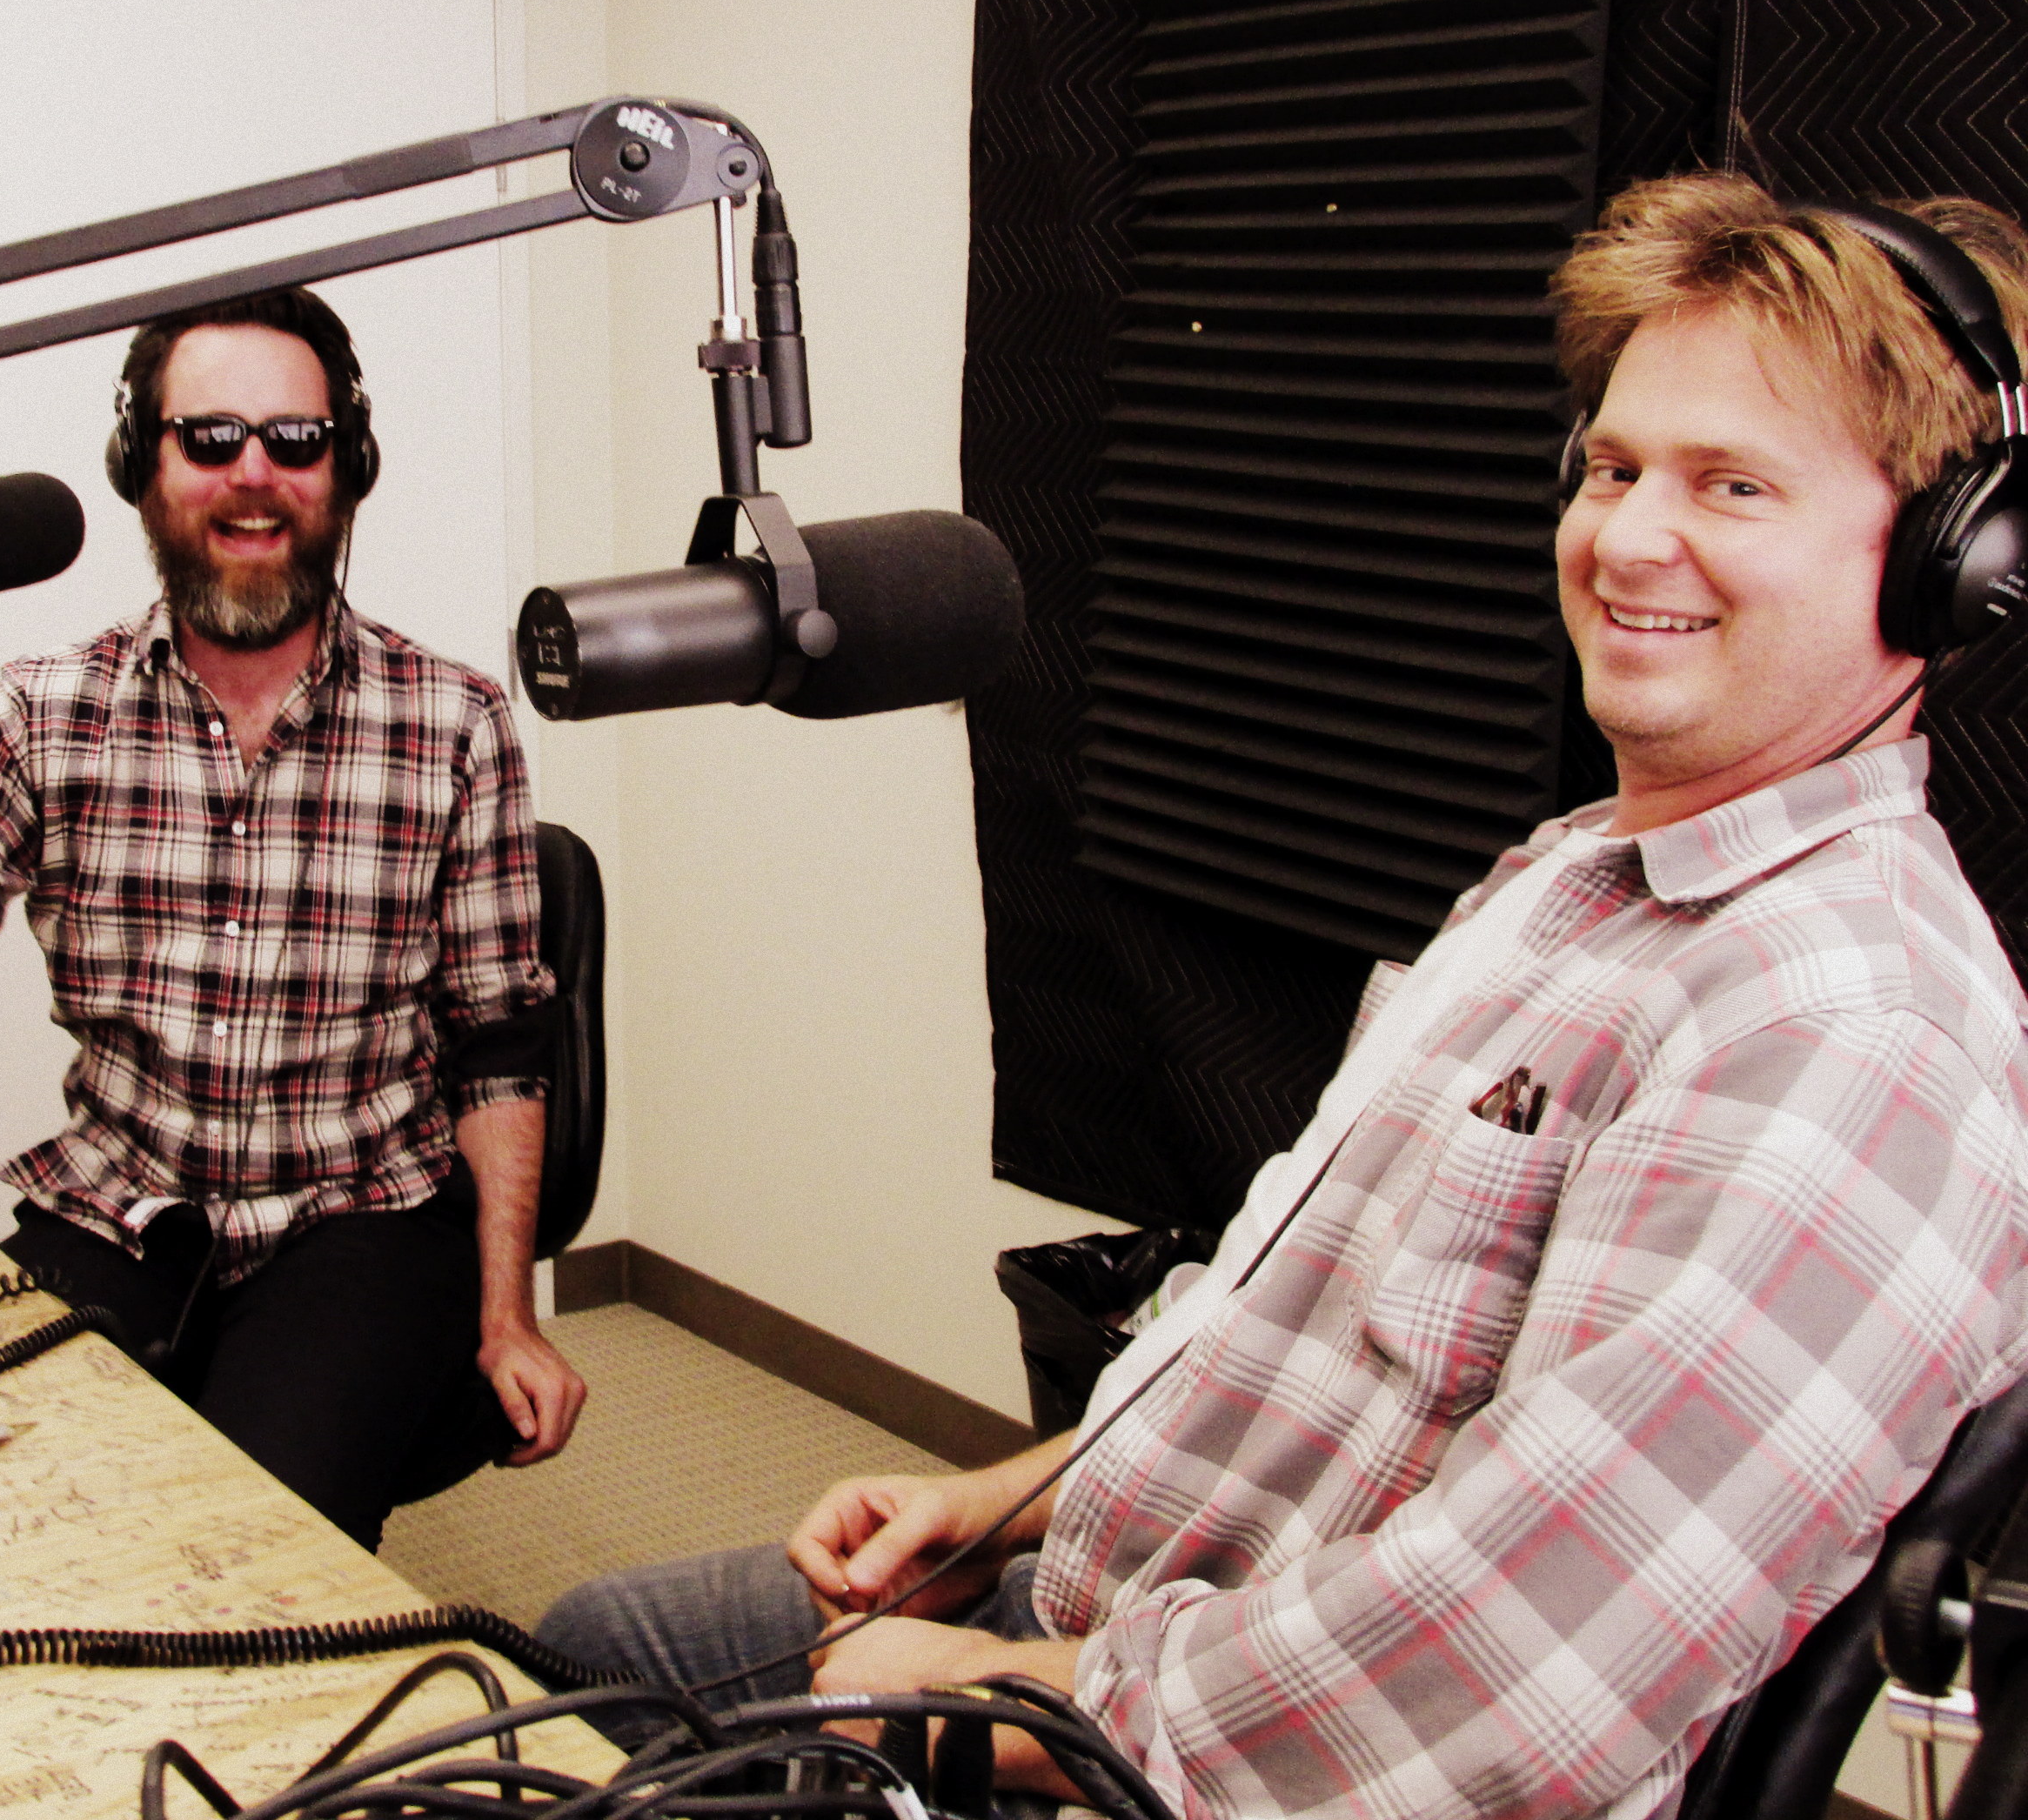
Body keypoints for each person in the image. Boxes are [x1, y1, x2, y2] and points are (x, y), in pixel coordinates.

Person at [538, 175, 2028, 1819]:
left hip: (1229, 1763)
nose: (1624, 539)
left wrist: (991, 1705)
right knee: (591, 1647)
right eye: (1612, 469)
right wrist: (1013, 1500)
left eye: (1734, 486)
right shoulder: (1570, 882)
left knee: (580, 1733)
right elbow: (1296, 1343)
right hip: (1108, 1618)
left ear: (1956, 563)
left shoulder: (1846, 1037)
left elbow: (1500, 1691)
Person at [0, 285, 585, 1550]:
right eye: (211, 438)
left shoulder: (454, 722)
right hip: (123, 1209)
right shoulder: (44, 714)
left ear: (345, 471)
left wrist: (508, 1316)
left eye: (296, 440)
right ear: (143, 470)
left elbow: (499, 1049)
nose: (254, 474)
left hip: (362, 1217)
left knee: (247, 1541)